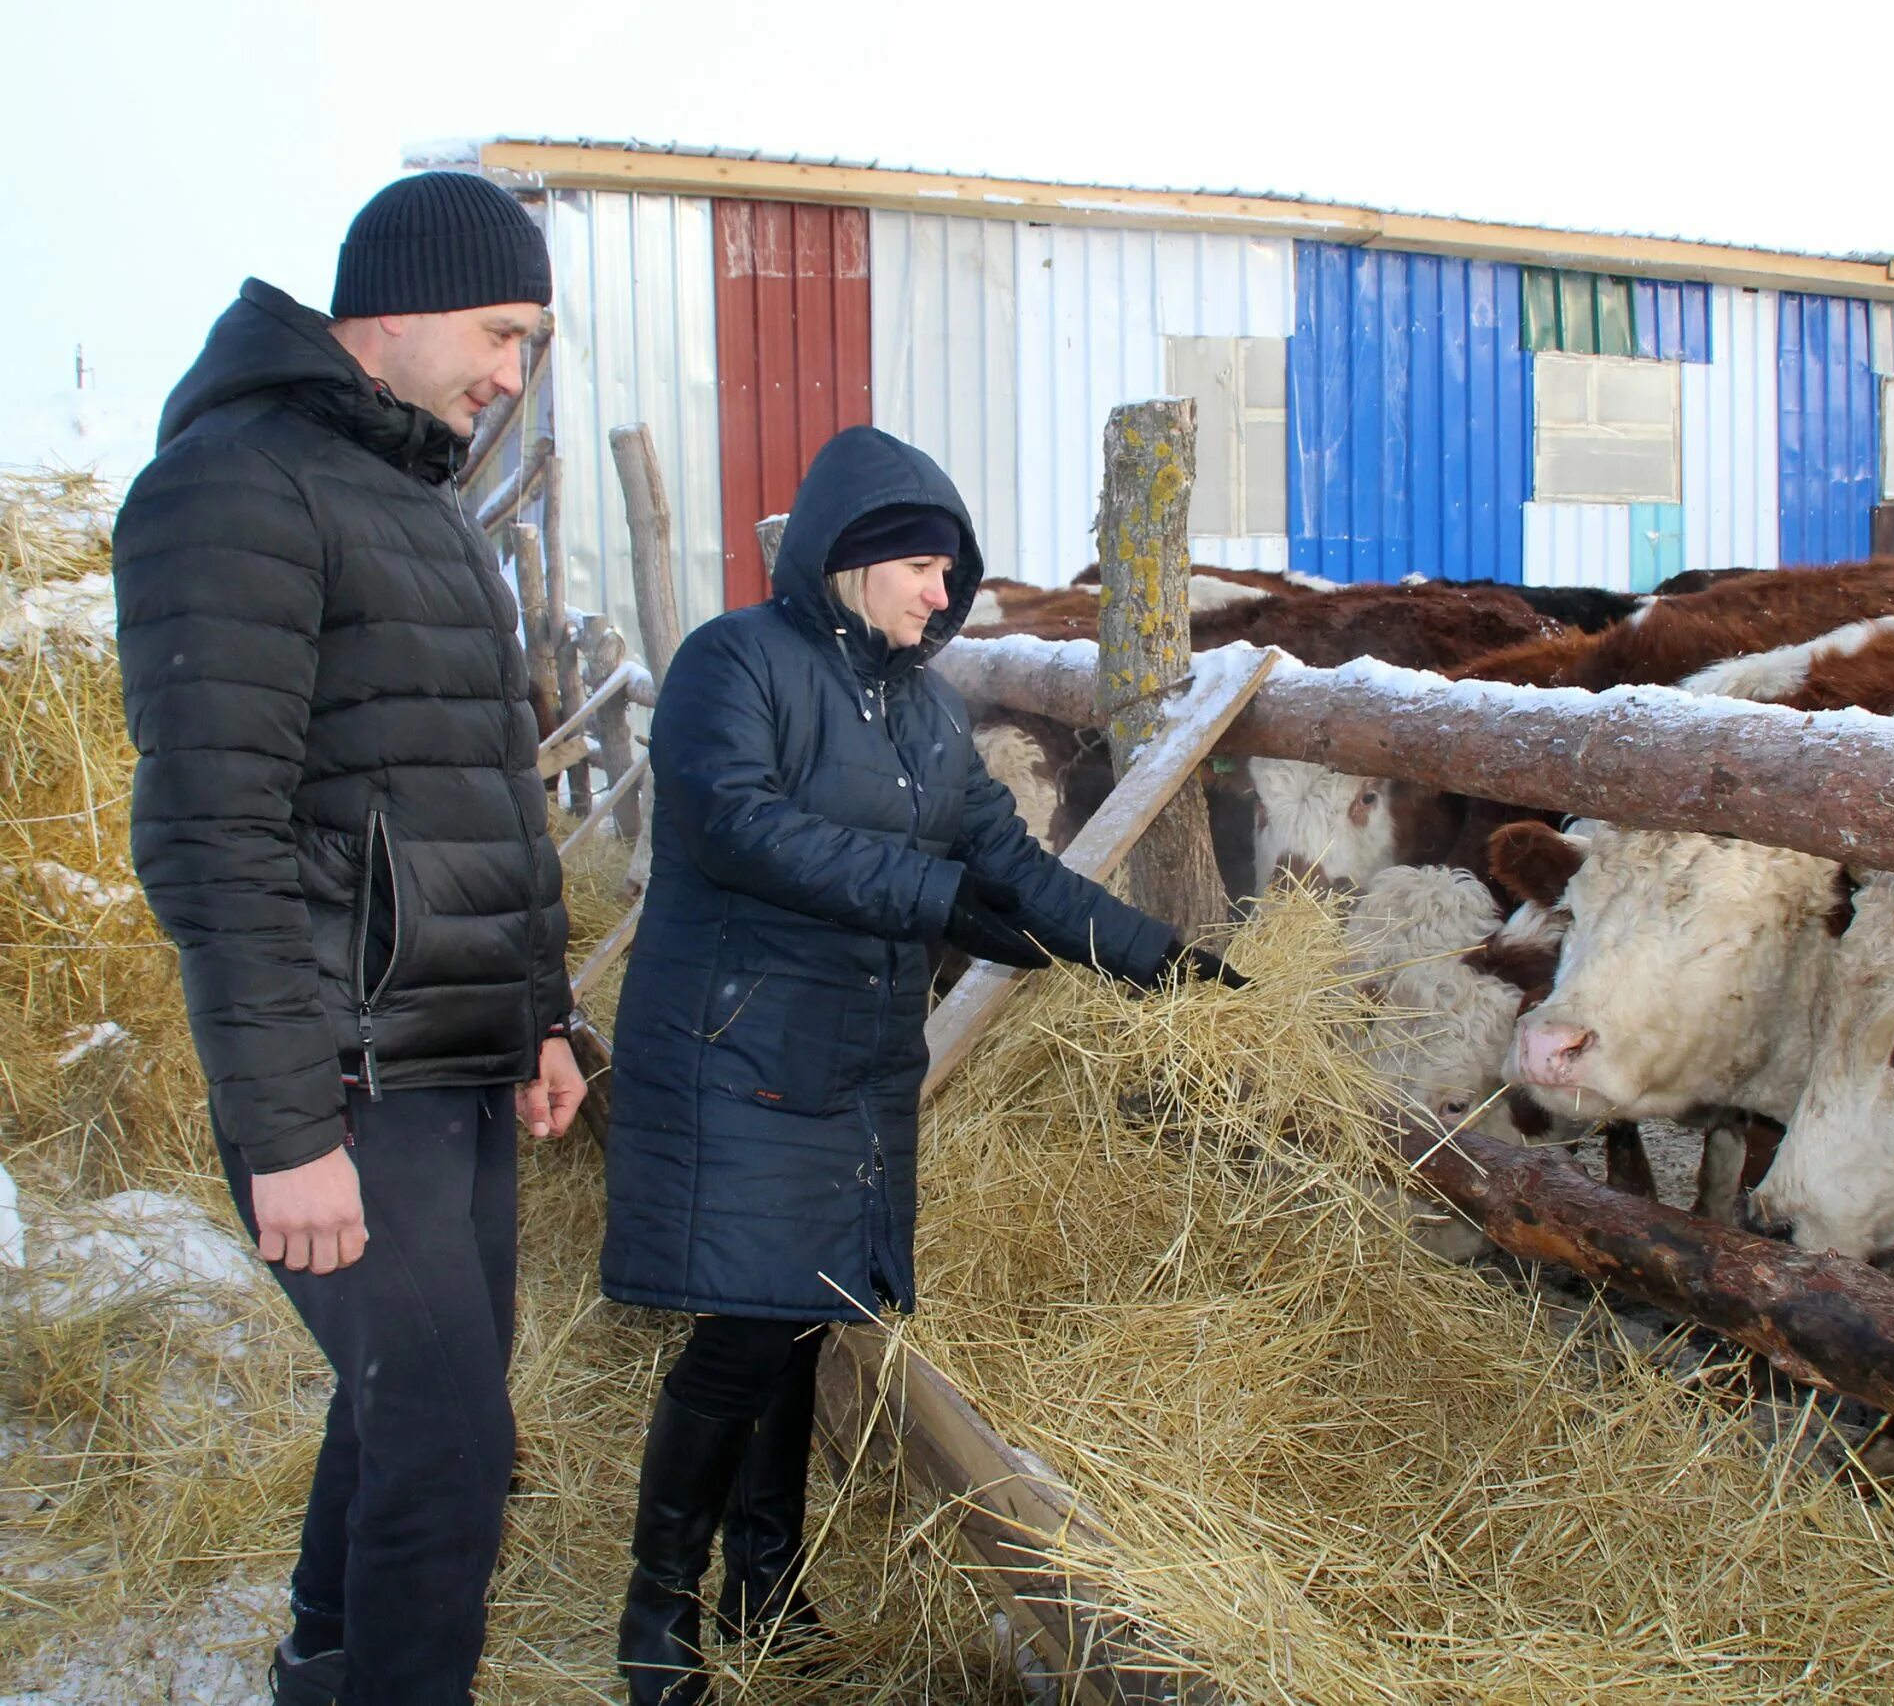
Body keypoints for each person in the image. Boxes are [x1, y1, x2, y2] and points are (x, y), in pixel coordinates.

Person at [601, 425, 1239, 1704]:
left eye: (951, 572)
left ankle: (767, 1592)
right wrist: (938, 897)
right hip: (736, 1047)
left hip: (847, 1060)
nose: (943, 595)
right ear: (853, 558)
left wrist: (1156, 959)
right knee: (741, 1338)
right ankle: (655, 1616)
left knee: (797, 1323)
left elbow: (1008, 864)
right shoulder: (734, 665)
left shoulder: (919, 709)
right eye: (925, 570)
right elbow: (743, 830)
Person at [113, 172, 586, 1706]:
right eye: (500, 332)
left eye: (530, 343)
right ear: (389, 304)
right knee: (452, 1443)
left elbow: (483, 797)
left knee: (416, 1413)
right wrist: (286, 1127)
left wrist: (544, 1013)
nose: (512, 374)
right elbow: (211, 836)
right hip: (347, 1079)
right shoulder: (236, 487)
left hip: (453, 1059)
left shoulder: (421, 509)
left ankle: (324, 1658)